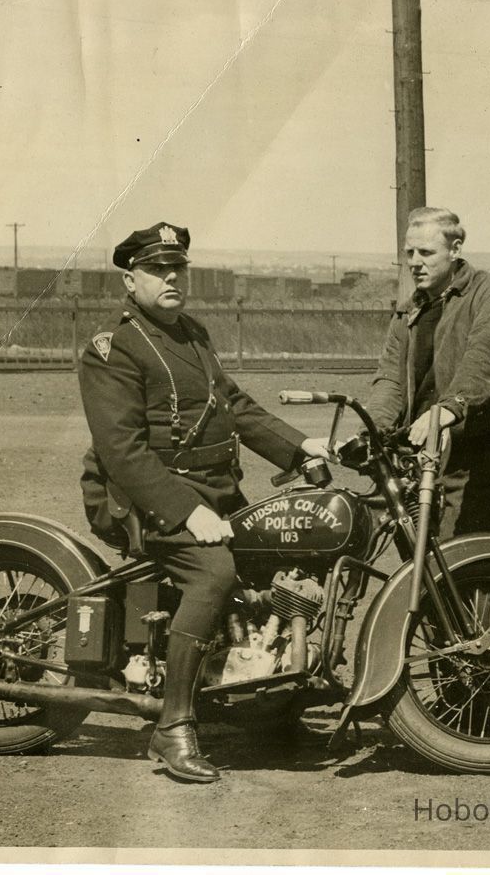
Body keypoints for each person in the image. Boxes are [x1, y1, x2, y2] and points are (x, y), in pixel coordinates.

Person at [79, 221, 329, 784]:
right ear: (129, 280)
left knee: (279, 556)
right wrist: (187, 511)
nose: (171, 277)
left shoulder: (192, 333)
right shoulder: (111, 348)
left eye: (177, 268)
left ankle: (267, 701)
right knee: (214, 576)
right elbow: (122, 451)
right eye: (156, 269)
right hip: (142, 501)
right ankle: (172, 726)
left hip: (214, 492)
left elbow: (234, 406)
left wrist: (297, 448)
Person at [367, 206, 490, 537]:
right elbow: (391, 378)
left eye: (426, 252)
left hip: (472, 460)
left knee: (460, 563)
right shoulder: (409, 311)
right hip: (417, 462)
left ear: (455, 249)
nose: (414, 262)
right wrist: (372, 429)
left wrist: (448, 408)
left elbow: (485, 359)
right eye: (409, 253)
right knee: (417, 563)